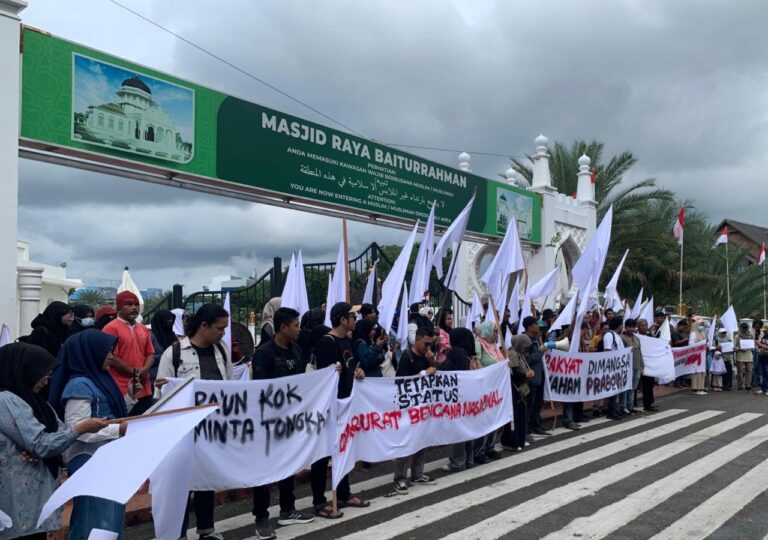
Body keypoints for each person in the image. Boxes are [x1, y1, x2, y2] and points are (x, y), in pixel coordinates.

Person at [0, 343, 107, 540]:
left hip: (35, 496)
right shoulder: (6, 400)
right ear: (24, 369)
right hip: (16, 500)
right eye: (42, 374)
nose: (46, 380)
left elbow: (56, 435)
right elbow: (42, 443)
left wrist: (46, 445)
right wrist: (80, 428)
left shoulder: (36, 401)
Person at [156, 303, 232, 540]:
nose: (223, 333)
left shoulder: (222, 351)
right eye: (220, 328)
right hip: (182, 430)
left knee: (206, 478)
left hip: (211, 428)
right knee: (180, 484)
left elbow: (229, 386)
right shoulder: (175, 353)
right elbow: (161, 394)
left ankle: (206, 528)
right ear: (204, 325)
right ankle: (178, 533)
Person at [48, 330, 129, 540]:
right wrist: (119, 429)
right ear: (89, 353)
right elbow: (77, 429)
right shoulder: (79, 385)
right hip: (89, 460)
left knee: (109, 518)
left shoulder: (99, 378)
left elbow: (107, 411)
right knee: (94, 519)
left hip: (106, 458)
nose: (111, 357)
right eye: (107, 352)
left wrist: (131, 395)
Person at [250, 308, 314, 540]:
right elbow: (259, 389)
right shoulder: (263, 354)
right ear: (283, 327)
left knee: (288, 464)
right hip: (268, 423)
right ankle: (261, 518)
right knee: (266, 471)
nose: (299, 329)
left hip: (291, 420)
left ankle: (288, 509)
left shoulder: (297, 350)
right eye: (296, 325)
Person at [310, 302, 368, 519]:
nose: (355, 319)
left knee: (343, 449)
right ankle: (318, 501)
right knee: (323, 454)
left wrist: (358, 372)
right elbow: (325, 377)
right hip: (331, 407)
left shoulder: (347, 340)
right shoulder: (327, 342)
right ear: (343, 319)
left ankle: (344, 493)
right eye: (352, 316)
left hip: (346, 404)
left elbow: (351, 367)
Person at [393, 326, 438, 493]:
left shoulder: (427, 356)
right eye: (426, 344)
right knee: (407, 441)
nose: (428, 347)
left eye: (430, 344)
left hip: (423, 405)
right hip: (409, 407)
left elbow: (435, 374)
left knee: (422, 439)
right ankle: (400, 478)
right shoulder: (406, 357)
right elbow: (403, 382)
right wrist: (425, 373)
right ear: (417, 340)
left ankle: (418, 473)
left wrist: (432, 361)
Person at [102, 291, 155, 415]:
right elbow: (111, 357)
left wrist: (144, 369)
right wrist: (133, 371)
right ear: (119, 307)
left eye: (136, 305)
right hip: (122, 388)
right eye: (129, 304)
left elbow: (150, 353)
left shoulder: (143, 328)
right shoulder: (111, 328)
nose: (134, 308)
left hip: (144, 387)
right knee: (126, 426)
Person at [440, 328, 478, 472]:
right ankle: (468, 459)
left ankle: (457, 461)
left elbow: (445, 370)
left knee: (458, 430)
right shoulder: (467, 354)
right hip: (467, 396)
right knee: (467, 428)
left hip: (457, 397)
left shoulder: (456, 353)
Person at [501, 334, 535, 451]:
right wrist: (526, 374)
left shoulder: (519, 354)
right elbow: (515, 373)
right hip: (515, 390)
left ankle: (519, 440)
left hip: (520, 390)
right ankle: (511, 441)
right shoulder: (513, 355)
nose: (525, 349)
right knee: (515, 416)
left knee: (521, 415)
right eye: (524, 346)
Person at [520, 317, 550, 436]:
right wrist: (540, 351)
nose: (538, 326)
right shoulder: (525, 340)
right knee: (529, 404)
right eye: (535, 324)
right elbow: (527, 359)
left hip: (540, 375)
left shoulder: (536, 339)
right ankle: (525, 430)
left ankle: (535, 425)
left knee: (538, 402)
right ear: (529, 327)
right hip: (531, 377)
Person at [601, 317, 625, 420]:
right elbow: (607, 351)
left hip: (618, 367)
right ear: (618, 325)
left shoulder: (617, 336)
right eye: (621, 325)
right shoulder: (609, 336)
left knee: (616, 390)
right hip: (612, 367)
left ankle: (614, 409)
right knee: (612, 390)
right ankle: (611, 411)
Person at [620, 319, 644, 411]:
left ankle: (631, 406)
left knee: (633, 388)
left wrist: (642, 366)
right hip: (626, 367)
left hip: (636, 367)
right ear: (625, 327)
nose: (631, 329)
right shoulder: (621, 338)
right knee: (625, 388)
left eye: (633, 327)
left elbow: (640, 352)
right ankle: (623, 406)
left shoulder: (637, 338)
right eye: (629, 327)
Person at [149, 309, 177, 384]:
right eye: (166, 320)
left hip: (173, 377)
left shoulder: (173, 336)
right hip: (155, 378)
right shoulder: (150, 337)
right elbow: (148, 358)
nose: (169, 322)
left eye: (171, 320)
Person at [637, 318, 659, 411]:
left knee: (650, 384)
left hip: (649, 363)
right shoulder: (636, 336)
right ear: (638, 327)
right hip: (639, 363)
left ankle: (650, 403)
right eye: (643, 325)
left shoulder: (649, 335)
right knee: (640, 386)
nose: (645, 327)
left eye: (646, 325)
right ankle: (638, 404)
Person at [734, 322, 754, 391]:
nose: (745, 330)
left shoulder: (751, 336)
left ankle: (748, 384)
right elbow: (734, 347)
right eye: (743, 328)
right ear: (740, 328)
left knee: (749, 370)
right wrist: (740, 349)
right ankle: (740, 384)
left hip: (749, 356)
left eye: (746, 328)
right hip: (740, 356)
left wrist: (751, 347)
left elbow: (753, 346)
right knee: (740, 371)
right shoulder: (737, 336)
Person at [757, 323, 768, 395]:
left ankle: (767, 388)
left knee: (767, 372)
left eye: (765, 330)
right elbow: (759, 346)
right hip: (763, 356)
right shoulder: (764, 336)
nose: (763, 331)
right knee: (763, 373)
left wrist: (760, 345)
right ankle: (763, 388)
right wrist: (759, 344)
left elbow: (762, 346)